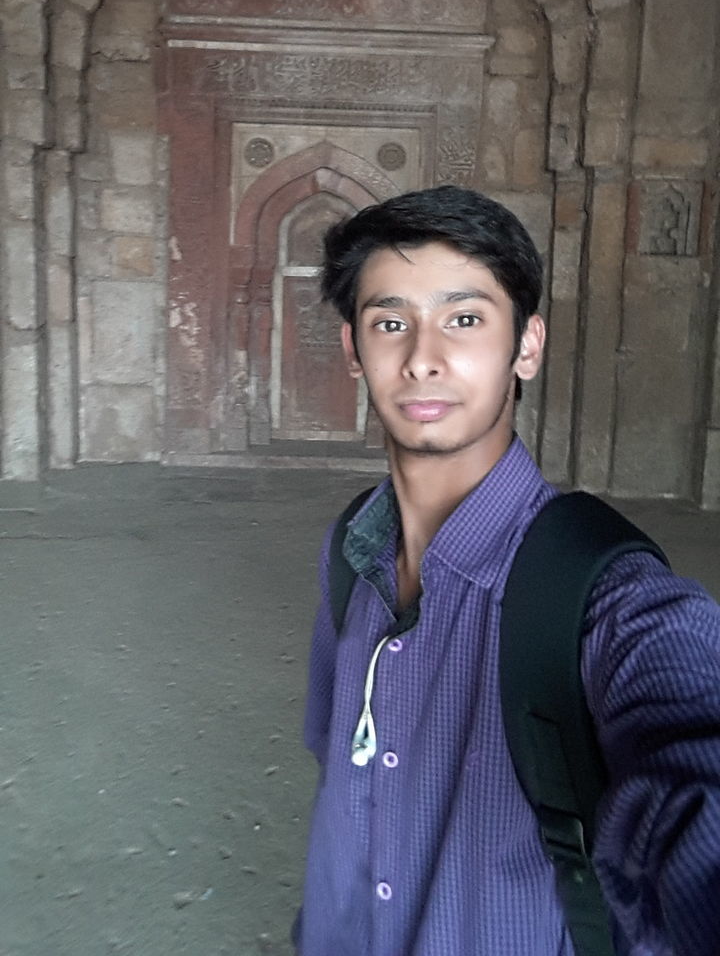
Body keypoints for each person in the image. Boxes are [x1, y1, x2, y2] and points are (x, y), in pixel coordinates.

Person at [295, 184, 720, 956]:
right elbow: (341, 771)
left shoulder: (607, 600)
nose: (423, 359)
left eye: (464, 319)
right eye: (391, 322)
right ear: (355, 352)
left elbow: (693, 756)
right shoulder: (351, 551)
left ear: (526, 344)